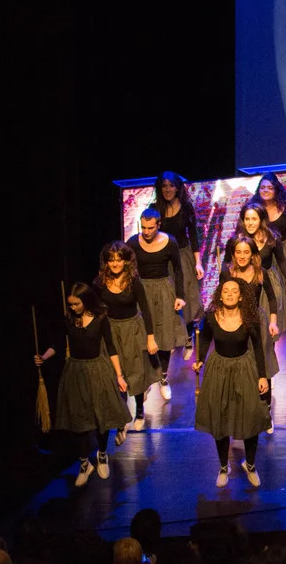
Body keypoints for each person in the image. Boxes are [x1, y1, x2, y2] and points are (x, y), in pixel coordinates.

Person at [37, 282, 132, 486]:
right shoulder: (69, 320)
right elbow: (58, 344)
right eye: (70, 304)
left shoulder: (100, 319)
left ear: (86, 301)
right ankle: (84, 464)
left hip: (97, 371)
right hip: (76, 372)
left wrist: (119, 376)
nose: (73, 308)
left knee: (101, 417)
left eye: (76, 304)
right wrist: (44, 357)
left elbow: (111, 347)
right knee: (79, 420)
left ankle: (102, 455)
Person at [192, 277, 271, 488]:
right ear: (220, 295)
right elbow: (205, 339)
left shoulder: (249, 318)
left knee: (250, 417)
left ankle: (250, 465)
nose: (229, 294)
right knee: (220, 419)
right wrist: (200, 359)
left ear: (241, 296)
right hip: (219, 369)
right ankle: (223, 466)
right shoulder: (211, 316)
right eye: (225, 290)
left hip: (244, 368)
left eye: (234, 291)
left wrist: (262, 376)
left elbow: (258, 347)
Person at [94, 241, 160, 433]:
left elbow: (146, 310)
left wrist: (150, 337)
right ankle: (122, 414)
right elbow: (96, 308)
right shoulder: (100, 282)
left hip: (132, 329)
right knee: (117, 372)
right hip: (111, 329)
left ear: (126, 261)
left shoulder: (133, 281)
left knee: (135, 371)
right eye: (111, 260)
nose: (115, 264)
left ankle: (139, 411)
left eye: (119, 259)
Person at [248, 172, 286, 366]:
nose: (266, 190)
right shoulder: (255, 209)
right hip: (267, 256)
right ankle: (268, 350)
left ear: (276, 189)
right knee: (269, 302)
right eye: (263, 187)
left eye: (270, 187)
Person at [222, 234, 280, 434]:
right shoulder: (228, 273)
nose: (242, 256)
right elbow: (220, 298)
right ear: (233, 254)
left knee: (263, 366)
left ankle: (266, 414)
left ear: (253, 254)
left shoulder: (260, 273)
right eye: (238, 252)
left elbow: (272, 299)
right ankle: (239, 412)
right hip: (235, 323)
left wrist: (273, 321)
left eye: (246, 252)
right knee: (238, 366)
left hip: (257, 323)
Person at [126, 208, 187, 401]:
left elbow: (178, 269)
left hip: (163, 290)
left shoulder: (170, 242)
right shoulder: (133, 243)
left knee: (164, 336)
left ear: (158, 225)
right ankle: (146, 379)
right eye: (143, 227)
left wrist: (180, 295)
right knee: (143, 336)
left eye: (150, 228)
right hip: (142, 290)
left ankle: (163, 377)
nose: (146, 231)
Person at [150, 172, 204, 359]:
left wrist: (198, 262)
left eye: (171, 185)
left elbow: (193, 236)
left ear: (178, 187)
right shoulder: (154, 208)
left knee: (186, 296)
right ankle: (172, 337)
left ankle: (188, 337)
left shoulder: (186, 208)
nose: (168, 189)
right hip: (164, 258)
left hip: (183, 256)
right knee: (168, 298)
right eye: (164, 186)